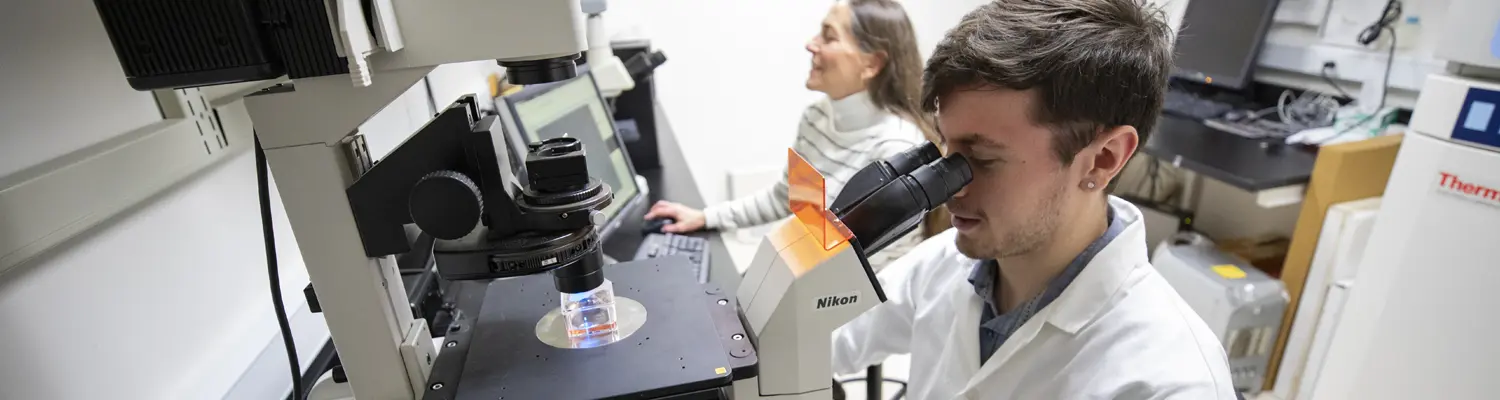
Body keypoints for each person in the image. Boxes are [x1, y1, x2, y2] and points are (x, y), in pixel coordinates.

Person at [830, 0, 1238, 399]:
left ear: (1103, 159)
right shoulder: (941, 264)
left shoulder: (1172, 382)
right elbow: (828, 338)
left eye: (982, 159)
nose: (950, 187)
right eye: (945, 149)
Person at [644, 0, 943, 267]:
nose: (811, 45)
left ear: (871, 63)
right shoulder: (816, 118)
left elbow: (872, 272)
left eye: (829, 37)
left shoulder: (896, 148)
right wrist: (705, 217)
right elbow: (787, 198)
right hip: (804, 278)